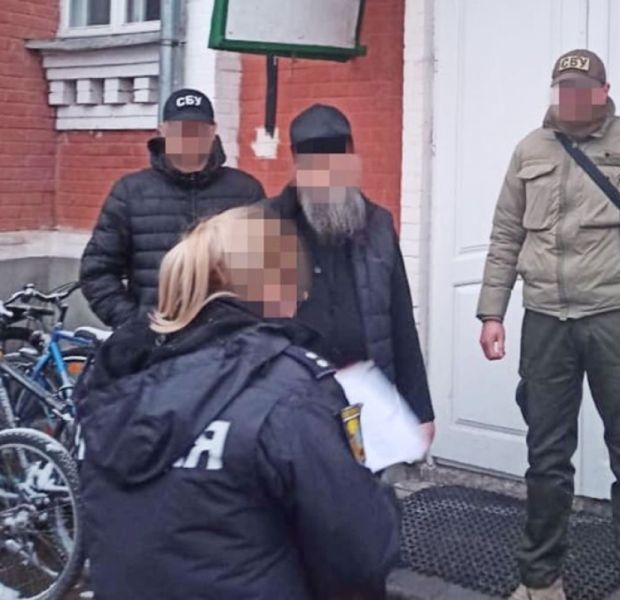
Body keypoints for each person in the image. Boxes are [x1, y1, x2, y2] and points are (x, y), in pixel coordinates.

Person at [76, 205, 401, 600]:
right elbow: (359, 552)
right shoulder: (289, 391)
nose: (302, 295)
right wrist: (371, 485)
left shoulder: (111, 382)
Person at [477, 49, 620, 600]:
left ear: (603, 90)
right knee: (545, 460)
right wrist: (492, 311)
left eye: (582, 87)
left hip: (616, 320)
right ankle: (541, 582)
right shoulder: (530, 150)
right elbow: (506, 236)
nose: (572, 97)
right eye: (563, 87)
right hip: (545, 321)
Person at [267, 103, 435, 446]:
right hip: (293, 402)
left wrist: (421, 410)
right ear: (297, 163)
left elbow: (400, 320)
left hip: (370, 400)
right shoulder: (267, 225)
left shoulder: (378, 225)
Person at [79, 87, 265, 328]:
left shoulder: (245, 191)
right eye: (180, 130)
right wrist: (133, 326)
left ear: (212, 131)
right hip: (155, 337)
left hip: (228, 336)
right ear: (163, 131)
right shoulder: (131, 192)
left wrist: (251, 323)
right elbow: (97, 271)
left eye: (197, 129)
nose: (189, 138)